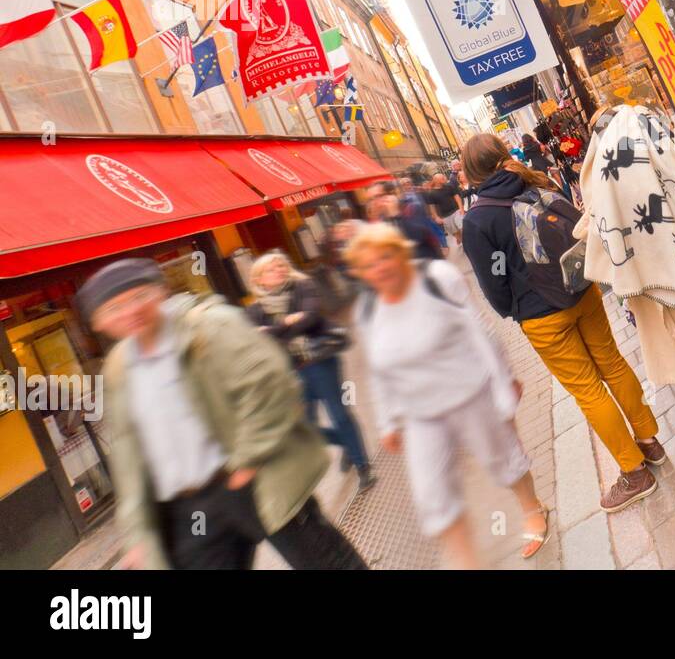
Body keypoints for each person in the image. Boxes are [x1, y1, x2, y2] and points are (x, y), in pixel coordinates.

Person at [79, 258, 367, 570]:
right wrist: (139, 533)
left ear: (160, 292)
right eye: (113, 308)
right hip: (192, 509)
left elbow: (268, 384)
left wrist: (248, 459)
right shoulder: (119, 367)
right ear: (98, 322)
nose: (130, 311)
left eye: (138, 297)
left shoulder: (210, 327)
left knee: (327, 564)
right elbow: (128, 455)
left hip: (251, 483)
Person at [459, 133, 664, 513]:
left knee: (588, 390)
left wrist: (516, 308)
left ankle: (635, 473)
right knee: (614, 364)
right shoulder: (536, 179)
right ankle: (650, 442)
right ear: (503, 156)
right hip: (582, 289)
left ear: (471, 174)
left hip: (542, 316)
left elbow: (493, 281)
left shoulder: (478, 219)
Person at [346, 223, 550, 567]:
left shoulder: (436, 279)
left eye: (385, 257)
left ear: (399, 252)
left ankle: (532, 509)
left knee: (502, 461)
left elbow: (480, 333)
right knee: (432, 495)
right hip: (420, 414)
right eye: (368, 265)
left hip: (469, 394)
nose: (379, 268)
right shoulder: (367, 310)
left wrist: (505, 381)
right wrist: (386, 421)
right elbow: (379, 370)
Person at [246, 251, 374, 492]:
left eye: (282, 265)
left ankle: (363, 466)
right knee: (306, 427)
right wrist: (287, 323)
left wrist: (273, 329)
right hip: (291, 373)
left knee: (339, 414)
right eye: (272, 269)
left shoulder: (303, 286)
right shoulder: (253, 311)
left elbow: (311, 318)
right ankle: (346, 442)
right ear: (259, 279)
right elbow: (256, 340)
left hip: (320, 361)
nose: (280, 269)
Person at [367, 181, 444, 260]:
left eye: (378, 196)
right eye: (371, 199)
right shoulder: (380, 222)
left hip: (426, 262)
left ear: (390, 195)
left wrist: (395, 215)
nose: (375, 202)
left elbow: (417, 236)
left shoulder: (411, 208)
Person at [425, 172, 465, 247]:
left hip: (456, 211)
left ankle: (466, 242)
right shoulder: (431, 193)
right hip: (445, 216)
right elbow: (432, 207)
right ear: (436, 181)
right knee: (455, 232)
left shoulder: (449, 186)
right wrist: (436, 217)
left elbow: (457, 198)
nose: (445, 179)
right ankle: (459, 238)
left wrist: (461, 209)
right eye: (442, 178)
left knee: (462, 227)